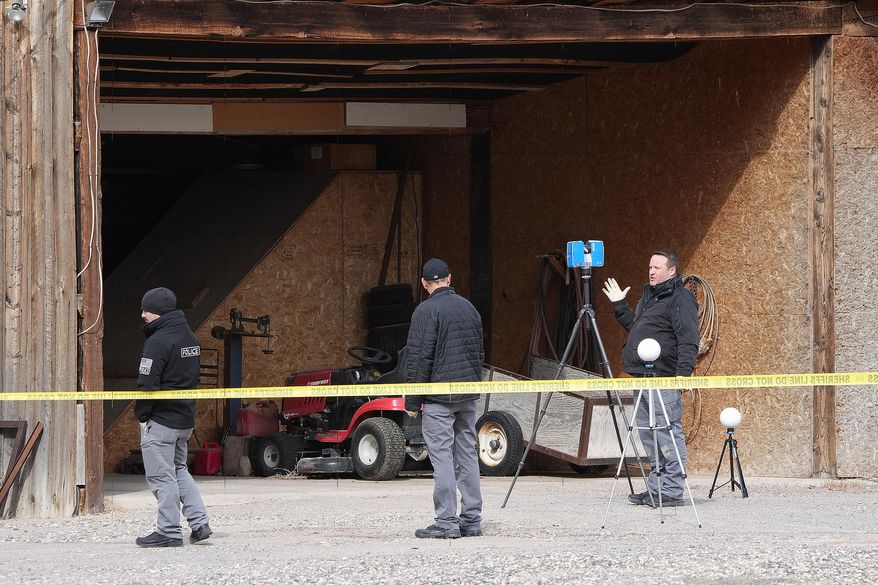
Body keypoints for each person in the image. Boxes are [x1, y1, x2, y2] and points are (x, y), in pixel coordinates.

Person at [602, 249, 699, 507]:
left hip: (665, 378)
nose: (651, 271)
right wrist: (620, 306)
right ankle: (656, 488)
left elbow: (689, 338)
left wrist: (682, 376)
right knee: (649, 434)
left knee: (667, 432)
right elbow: (638, 330)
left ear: (672, 270)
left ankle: (672, 490)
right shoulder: (649, 297)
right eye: (649, 267)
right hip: (643, 376)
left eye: (657, 267)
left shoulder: (680, 298)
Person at [404, 258, 485, 539]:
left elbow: (418, 359)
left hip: (438, 398)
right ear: (450, 279)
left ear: (424, 283)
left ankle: (447, 521)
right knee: (467, 455)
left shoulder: (424, 311)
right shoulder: (469, 308)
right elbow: (479, 353)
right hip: (467, 395)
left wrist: (412, 402)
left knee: (441, 457)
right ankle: (471, 519)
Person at [134, 287, 212, 547]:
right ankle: (200, 524)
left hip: (162, 421)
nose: (142, 315)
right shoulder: (190, 338)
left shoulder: (157, 342)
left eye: (146, 310)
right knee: (179, 470)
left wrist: (142, 416)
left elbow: (148, 384)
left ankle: (168, 531)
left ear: (158, 311)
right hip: (184, 419)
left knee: (162, 476)